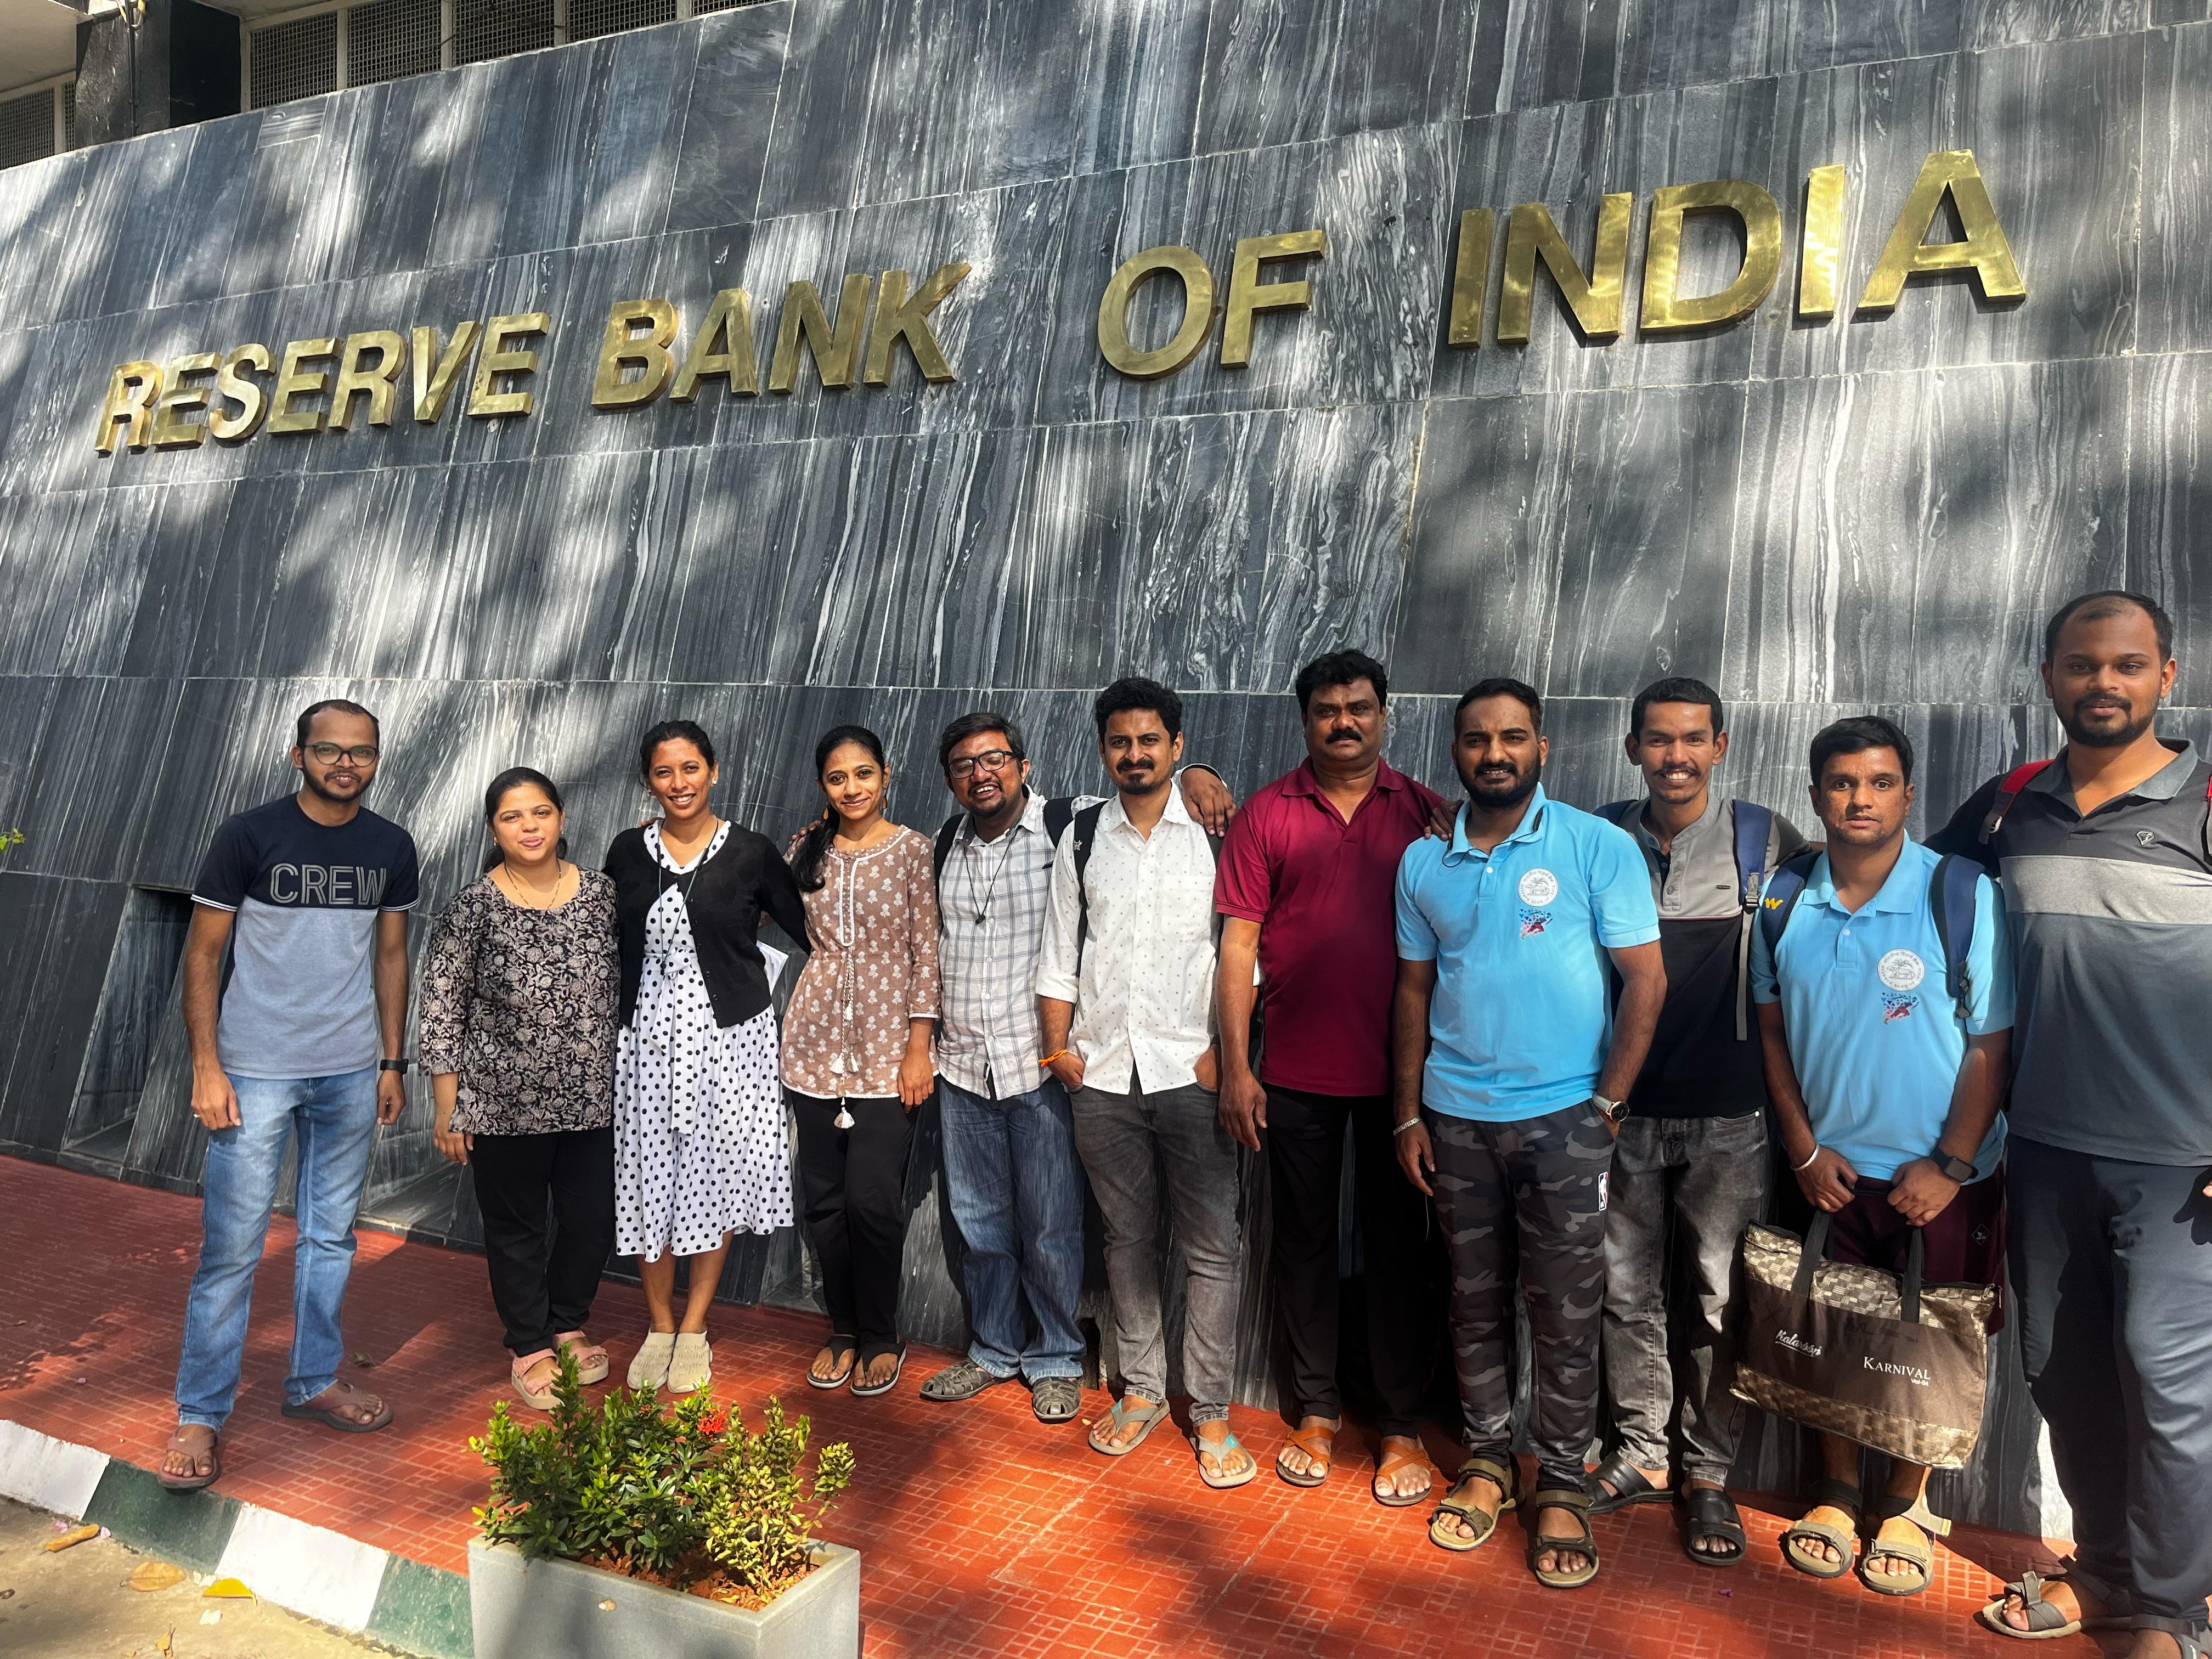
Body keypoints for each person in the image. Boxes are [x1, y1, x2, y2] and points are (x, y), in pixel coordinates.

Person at [1928, 592, 2212, 1659]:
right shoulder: (2009, 807)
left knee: (2169, 1388)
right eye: (2083, 664)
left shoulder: (2204, 804)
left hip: (2180, 1167)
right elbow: (1901, 882)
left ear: (2166, 676)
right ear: (2048, 675)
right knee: (2063, 1373)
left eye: (2128, 664)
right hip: (2046, 1152)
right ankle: (2103, 1573)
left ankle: (2170, 1614)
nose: (2105, 682)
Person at [1392, 676, 1665, 1589]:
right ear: (1456, 752)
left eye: (1513, 736)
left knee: (1565, 1307)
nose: (1495, 753)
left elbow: (1646, 981)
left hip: (1565, 1123)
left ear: (1541, 747)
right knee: (1473, 1300)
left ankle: (1561, 1480)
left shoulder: (1596, 846)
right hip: (1456, 1118)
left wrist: (1608, 1105)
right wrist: (1407, 1112)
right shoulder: (1423, 861)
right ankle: (1486, 1459)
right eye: (1477, 739)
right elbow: (1413, 990)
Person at [1754, 716, 2012, 1600]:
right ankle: (1833, 1491)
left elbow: (1991, 1041)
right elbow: (1772, 1029)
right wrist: (1801, 1148)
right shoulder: (1784, 897)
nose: (1859, 799)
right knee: (1828, 1329)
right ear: (1815, 794)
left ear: (1908, 793)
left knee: (1930, 1341)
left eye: (1878, 782)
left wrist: (1952, 1165)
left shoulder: (1961, 893)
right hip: (1828, 1173)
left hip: (1939, 1181)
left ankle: (1907, 1503)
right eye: (1841, 783)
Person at [918, 714, 1231, 1426]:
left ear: (1024, 766)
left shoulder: (1072, 823)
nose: (981, 774)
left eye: (995, 759)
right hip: (964, 1065)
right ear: (951, 780)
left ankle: (1057, 1359)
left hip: (1039, 1068)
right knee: (978, 1224)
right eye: (965, 765)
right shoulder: (943, 845)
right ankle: (993, 1349)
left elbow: (1148, 787)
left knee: (1051, 1227)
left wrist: (1197, 773)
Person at [160, 700, 418, 1491]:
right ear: (298, 754)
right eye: (329, 750)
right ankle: (200, 1412)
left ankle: (313, 1381)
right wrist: (207, 1066)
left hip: (349, 1071)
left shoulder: (391, 846)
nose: (346, 763)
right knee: (232, 1250)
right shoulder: (248, 835)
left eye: (361, 752)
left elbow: (391, 956)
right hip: (255, 1071)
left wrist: (391, 1061)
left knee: (331, 1239)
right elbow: (203, 956)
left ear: (376, 760)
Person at [1214, 649, 1448, 1505]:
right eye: (1327, 710)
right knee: (1304, 1246)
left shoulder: (1427, 813)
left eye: (1359, 708)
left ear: (1384, 715)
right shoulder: (1266, 814)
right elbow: (1238, 946)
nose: (1344, 722)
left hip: (1404, 1083)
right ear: (1305, 719)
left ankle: (1398, 1423)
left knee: (1399, 1252)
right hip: (1294, 1073)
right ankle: (1315, 1409)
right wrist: (1237, 1069)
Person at [1586, 677, 1809, 1564]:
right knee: (1624, 1293)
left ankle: (1709, 1473)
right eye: (1657, 739)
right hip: (1621, 1113)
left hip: (1730, 1119)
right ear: (1632, 747)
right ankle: (1642, 1452)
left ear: (1720, 745)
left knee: (1722, 1302)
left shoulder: (1768, 839)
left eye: (1691, 739)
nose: (1674, 756)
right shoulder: (1599, 836)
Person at [1035, 679, 1253, 1488]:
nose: (1135, 754)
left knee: (1212, 1247)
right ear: (1103, 750)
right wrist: (1058, 1051)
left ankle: (1212, 1410)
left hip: (1193, 1070)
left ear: (1177, 746)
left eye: (1149, 741)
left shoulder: (1218, 834)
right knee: (1126, 1241)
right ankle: (1142, 1391)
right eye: (1121, 742)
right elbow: (1060, 952)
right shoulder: (1084, 836)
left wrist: (1225, 1053)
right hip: (1099, 1071)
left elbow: (1246, 955)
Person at [605, 720, 809, 1396]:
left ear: (714, 771)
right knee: (648, 1181)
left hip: (729, 1045)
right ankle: (659, 1325)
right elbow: (606, 936)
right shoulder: (627, 851)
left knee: (709, 1183)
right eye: (664, 772)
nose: (679, 783)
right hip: (645, 1045)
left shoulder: (750, 852)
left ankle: (694, 1327)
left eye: (691, 768)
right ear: (648, 781)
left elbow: (808, 926)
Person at [419, 768, 620, 1409]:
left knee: (591, 1221)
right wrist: (448, 1108)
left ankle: (568, 1323)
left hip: (591, 1099)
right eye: (512, 816)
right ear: (493, 829)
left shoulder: (602, 894)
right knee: (517, 1228)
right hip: (502, 1104)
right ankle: (531, 1344)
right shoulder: (471, 908)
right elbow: (442, 1009)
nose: (529, 826)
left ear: (561, 818)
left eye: (540, 813)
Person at [781, 725, 940, 1398]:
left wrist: (918, 1049)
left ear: (886, 775)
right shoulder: (805, 849)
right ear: (824, 785)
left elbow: (927, 953)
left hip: (887, 1055)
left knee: (872, 1202)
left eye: (864, 774)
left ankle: (880, 1335)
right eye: (838, 777)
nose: (853, 788)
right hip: (813, 1049)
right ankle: (843, 1329)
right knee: (823, 1202)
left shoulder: (913, 851)